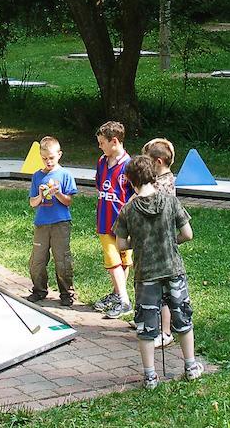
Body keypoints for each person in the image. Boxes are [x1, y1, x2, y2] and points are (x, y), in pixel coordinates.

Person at [115, 155, 203, 389]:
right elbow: (188, 234)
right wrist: (168, 240)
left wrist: (141, 242)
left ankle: (150, 377)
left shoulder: (127, 210)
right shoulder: (170, 202)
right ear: (153, 176)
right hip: (173, 270)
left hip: (146, 276)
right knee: (183, 319)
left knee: (146, 327)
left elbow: (121, 245)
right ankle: (191, 367)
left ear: (130, 181)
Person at [25, 136, 78, 306]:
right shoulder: (37, 176)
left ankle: (66, 292)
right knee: (37, 260)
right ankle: (39, 290)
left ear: (59, 155)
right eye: (44, 158)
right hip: (41, 223)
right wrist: (41, 195)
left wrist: (57, 193)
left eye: (51, 158)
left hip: (60, 223)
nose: (48, 162)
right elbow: (33, 203)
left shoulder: (65, 175)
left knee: (62, 259)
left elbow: (68, 201)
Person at [93, 121, 135, 319]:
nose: (100, 146)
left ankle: (120, 296)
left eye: (102, 142)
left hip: (124, 224)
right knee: (112, 258)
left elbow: (137, 192)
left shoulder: (131, 166)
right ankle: (124, 300)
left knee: (124, 261)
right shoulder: (102, 161)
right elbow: (99, 185)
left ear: (114, 141)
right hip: (104, 220)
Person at [142, 138, 181, 349]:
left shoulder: (161, 184)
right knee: (155, 288)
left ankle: (165, 332)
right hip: (157, 240)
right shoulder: (166, 179)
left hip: (161, 242)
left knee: (162, 290)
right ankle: (154, 324)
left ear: (158, 162)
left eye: (148, 162)